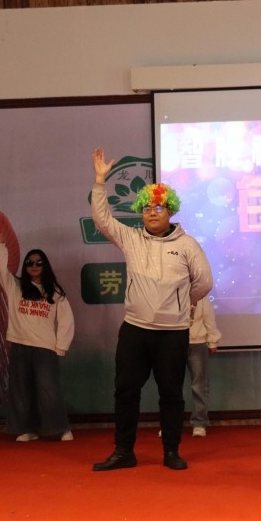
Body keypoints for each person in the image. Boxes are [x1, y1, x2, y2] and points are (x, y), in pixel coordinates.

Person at [90, 147, 213, 472]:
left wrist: (180, 303)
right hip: (135, 329)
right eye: (146, 208)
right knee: (125, 390)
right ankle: (123, 451)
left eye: (159, 207)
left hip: (173, 333)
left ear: (170, 210)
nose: (152, 213)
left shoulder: (187, 245)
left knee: (171, 394)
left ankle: (171, 451)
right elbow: (102, 219)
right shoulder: (131, 238)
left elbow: (204, 282)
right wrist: (100, 182)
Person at [0, 239, 75, 443]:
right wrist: (0, 245)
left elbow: (67, 320)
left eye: (39, 263)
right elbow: (0, 268)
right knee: (21, 391)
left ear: (45, 266)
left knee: (49, 391)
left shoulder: (54, 291)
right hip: (19, 344)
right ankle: (28, 429)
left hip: (45, 348)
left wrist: (61, 346)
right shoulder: (15, 285)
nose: (34, 266)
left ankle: (61, 428)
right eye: (30, 263)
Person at [187, 296, 221, 437]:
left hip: (197, 343)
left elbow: (208, 317)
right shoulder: (169, 291)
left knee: (199, 385)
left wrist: (213, 340)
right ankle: (169, 424)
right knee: (170, 386)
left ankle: (199, 423)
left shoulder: (200, 295)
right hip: (172, 342)